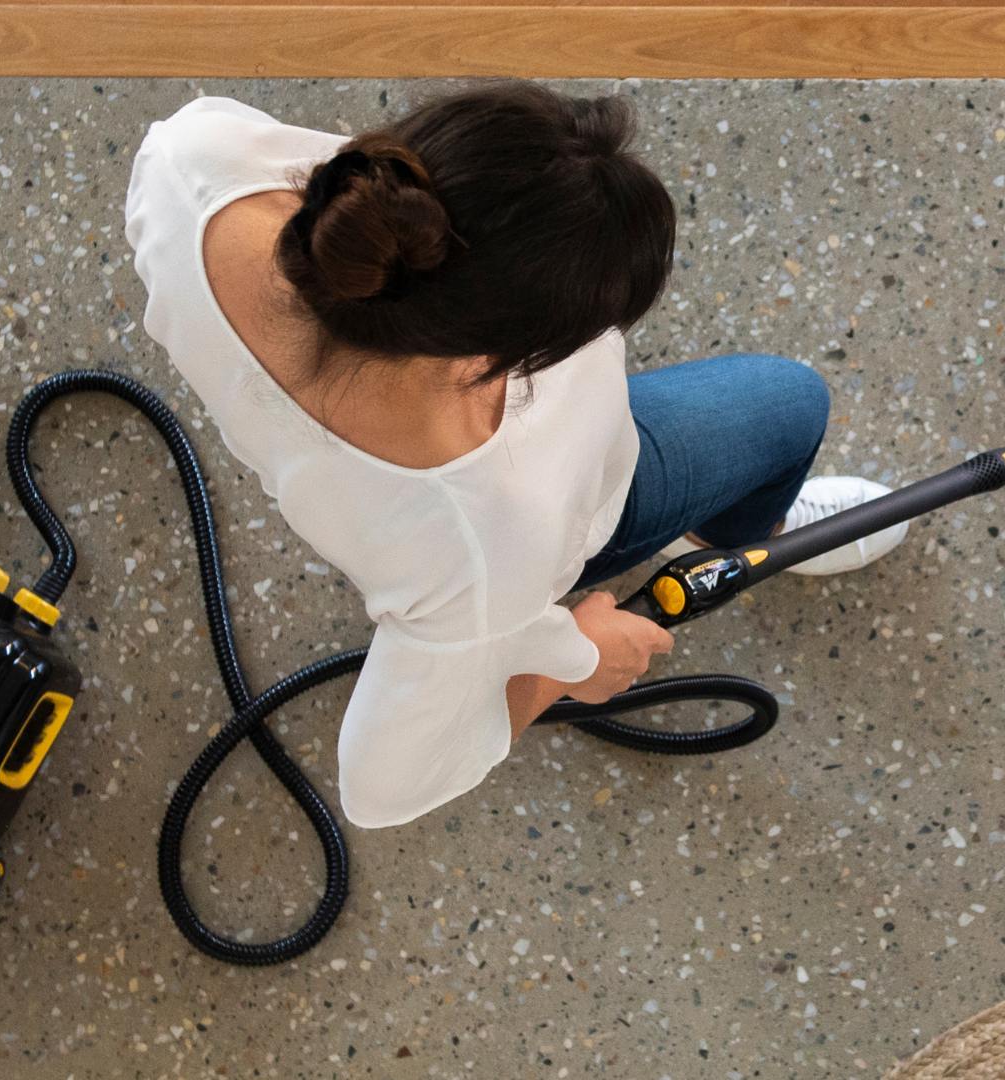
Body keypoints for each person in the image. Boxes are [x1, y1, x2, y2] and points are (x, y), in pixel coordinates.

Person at [122, 83, 906, 828]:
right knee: (793, 404)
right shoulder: (493, 531)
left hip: (380, 525)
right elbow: (381, 787)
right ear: (488, 353)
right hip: (569, 520)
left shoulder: (191, 161)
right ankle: (720, 537)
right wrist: (567, 662)